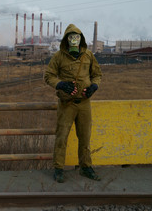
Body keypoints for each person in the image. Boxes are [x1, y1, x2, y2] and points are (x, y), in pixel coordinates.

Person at [44, 24, 102, 183]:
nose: (74, 40)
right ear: (66, 39)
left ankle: (85, 167)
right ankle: (58, 169)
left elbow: (97, 74)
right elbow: (49, 76)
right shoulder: (59, 56)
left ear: (81, 39)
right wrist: (60, 84)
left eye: (76, 37)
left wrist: (94, 86)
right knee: (61, 137)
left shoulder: (89, 55)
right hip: (66, 104)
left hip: (84, 104)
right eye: (70, 37)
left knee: (85, 137)